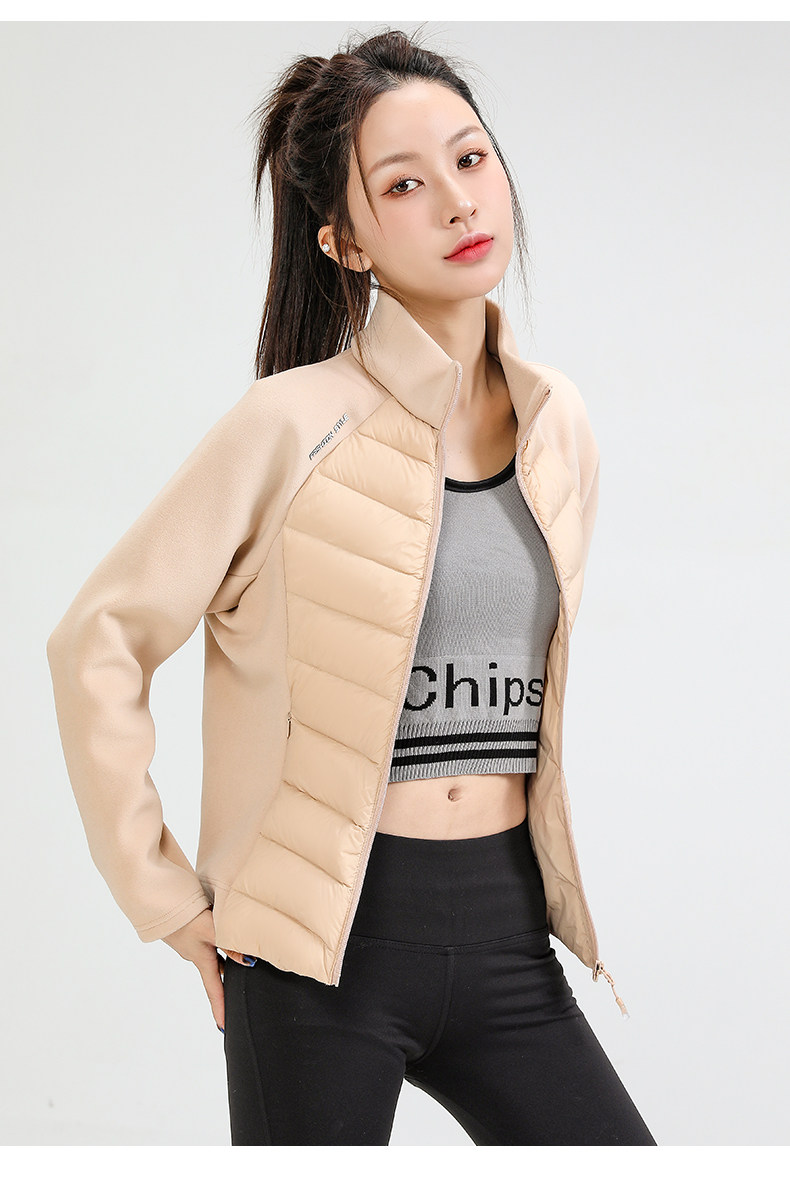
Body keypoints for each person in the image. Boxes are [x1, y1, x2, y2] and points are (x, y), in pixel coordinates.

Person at [46, 27, 657, 1146]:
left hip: (508, 931)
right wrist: (163, 895)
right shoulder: (288, 423)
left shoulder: (556, 421)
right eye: (404, 185)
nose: (458, 202)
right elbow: (97, 638)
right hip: (315, 955)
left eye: (470, 159)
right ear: (345, 240)